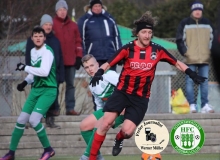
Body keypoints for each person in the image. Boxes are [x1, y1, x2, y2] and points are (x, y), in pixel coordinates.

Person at [88, 11, 206, 160]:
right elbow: (108, 62)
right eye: (144, 32)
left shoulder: (157, 50)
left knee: (128, 132)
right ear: (137, 33)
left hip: (140, 98)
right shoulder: (127, 49)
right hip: (122, 93)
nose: (147, 35)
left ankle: (119, 138)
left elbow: (176, 63)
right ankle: (91, 158)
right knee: (105, 123)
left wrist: (191, 73)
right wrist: (99, 72)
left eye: (150, 32)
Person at [0, 27, 56, 160]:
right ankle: (11, 153)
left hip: (48, 90)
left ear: (44, 38)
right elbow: (34, 71)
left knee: (34, 120)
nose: (38, 38)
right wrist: (25, 82)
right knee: (21, 120)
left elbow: (44, 72)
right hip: (36, 90)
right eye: (35, 36)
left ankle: (49, 150)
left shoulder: (47, 52)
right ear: (32, 38)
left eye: (40, 36)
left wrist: (24, 67)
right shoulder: (32, 51)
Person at [79, 54, 125, 160]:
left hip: (122, 110)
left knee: (99, 124)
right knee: (84, 126)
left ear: (98, 65)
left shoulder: (109, 75)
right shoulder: (92, 85)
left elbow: (126, 86)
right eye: (87, 67)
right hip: (108, 110)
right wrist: (98, 114)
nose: (90, 69)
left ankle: (86, 156)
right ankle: (98, 157)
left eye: (92, 65)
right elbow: (99, 104)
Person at [25, 14, 64, 128]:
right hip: (37, 76)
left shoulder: (56, 41)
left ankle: (50, 120)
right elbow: (29, 57)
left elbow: (60, 58)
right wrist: (30, 72)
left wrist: (60, 74)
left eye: (50, 24)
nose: (48, 26)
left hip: (52, 76)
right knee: (35, 97)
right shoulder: (32, 40)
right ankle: (33, 120)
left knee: (52, 100)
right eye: (46, 24)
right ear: (42, 25)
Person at [176, 0, 214, 113]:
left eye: (199, 10)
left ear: (202, 11)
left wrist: (209, 51)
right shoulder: (185, 23)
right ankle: (192, 105)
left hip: (204, 58)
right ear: (192, 10)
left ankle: (204, 105)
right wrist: (185, 52)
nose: (197, 12)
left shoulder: (208, 23)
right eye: (195, 9)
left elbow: (213, 38)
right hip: (190, 58)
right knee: (189, 81)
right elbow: (179, 39)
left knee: (204, 82)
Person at [53, 0, 83, 115]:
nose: (62, 12)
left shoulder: (73, 25)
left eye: (64, 9)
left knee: (70, 85)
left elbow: (78, 42)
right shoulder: (52, 24)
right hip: (57, 62)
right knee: (55, 85)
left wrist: (79, 56)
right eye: (60, 10)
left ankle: (70, 108)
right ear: (56, 11)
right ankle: (54, 108)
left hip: (70, 60)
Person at [77, 0, 122, 72]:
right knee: (97, 80)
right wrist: (84, 56)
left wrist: (119, 55)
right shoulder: (84, 20)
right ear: (91, 7)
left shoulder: (110, 19)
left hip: (110, 56)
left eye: (99, 6)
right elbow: (81, 40)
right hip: (94, 57)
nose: (97, 8)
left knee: (112, 79)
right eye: (95, 6)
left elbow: (116, 37)